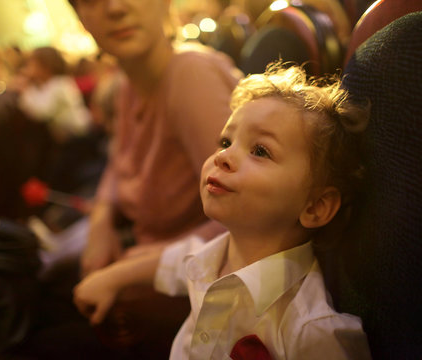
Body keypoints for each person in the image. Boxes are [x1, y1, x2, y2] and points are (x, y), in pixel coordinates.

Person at [74, 63, 372, 359]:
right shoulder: (210, 257)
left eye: (260, 151)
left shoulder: (312, 332)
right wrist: (109, 279)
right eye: (226, 142)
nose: (224, 157)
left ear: (315, 207)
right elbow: (170, 263)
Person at [68, 0, 242, 355]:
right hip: (149, 275)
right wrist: (101, 219)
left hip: (201, 300)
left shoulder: (189, 76)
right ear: (80, 19)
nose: (115, 8)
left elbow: (248, 218)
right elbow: (118, 166)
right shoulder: (127, 86)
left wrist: (134, 271)